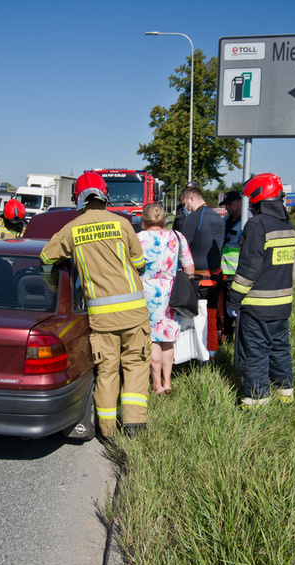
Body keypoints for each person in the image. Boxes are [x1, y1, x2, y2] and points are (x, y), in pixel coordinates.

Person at [40, 171, 151, 439]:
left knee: (107, 371)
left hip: (101, 319)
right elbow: (140, 264)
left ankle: (107, 431)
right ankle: (135, 426)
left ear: (78, 199)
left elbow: (46, 257)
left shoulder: (72, 230)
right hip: (134, 314)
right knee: (135, 365)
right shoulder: (122, 223)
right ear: (105, 196)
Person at [227, 173, 295, 408]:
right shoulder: (287, 224)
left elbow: (249, 269)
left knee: (255, 353)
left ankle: (256, 402)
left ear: (258, 197)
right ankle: (285, 394)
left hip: (258, 306)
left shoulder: (257, 225)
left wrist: (233, 300)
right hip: (282, 304)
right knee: (280, 350)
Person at [137, 203, 194, 394]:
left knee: (153, 338)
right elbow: (189, 267)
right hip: (172, 292)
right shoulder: (177, 237)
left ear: (143, 221)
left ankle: (156, 384)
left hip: (146, 293)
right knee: (168, 338)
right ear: (163, 220)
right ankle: (167, 382)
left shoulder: (138, 239)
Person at [179, 181, 224, 361]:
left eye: (185, 204)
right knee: (211, 316)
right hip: (216, 276)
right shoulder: (218, 217)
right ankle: (211, 353)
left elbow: (183, 248)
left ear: (191, 198)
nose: (185, 208)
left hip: (199, 279)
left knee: (194, 318)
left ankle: (196, 355)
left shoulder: (194, 218)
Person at [219, 190, 243, 341]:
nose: (227, 207)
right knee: (225, 306)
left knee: (235, 306)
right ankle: (227, 335)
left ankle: (238, 337)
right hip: (223, 271)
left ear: (240, 202)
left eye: (230, 204)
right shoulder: (226, 220)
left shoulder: (247, 222)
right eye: (225, 204)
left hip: (237, 272)